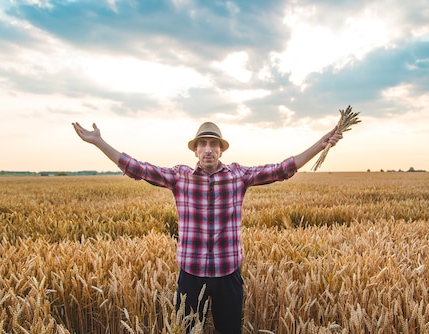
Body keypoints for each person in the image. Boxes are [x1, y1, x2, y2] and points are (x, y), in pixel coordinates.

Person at [72, 121, 343, 333]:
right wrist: (99, 142)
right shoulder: (179, 178)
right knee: (187, 330)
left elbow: (283, 168)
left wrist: (321, 144)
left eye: (213, 143)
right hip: (191, 275)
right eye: (202, 144)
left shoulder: (239, 176)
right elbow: (137, 168)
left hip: (228, 276)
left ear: (221, 149)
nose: (208, 149)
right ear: (195, 150)